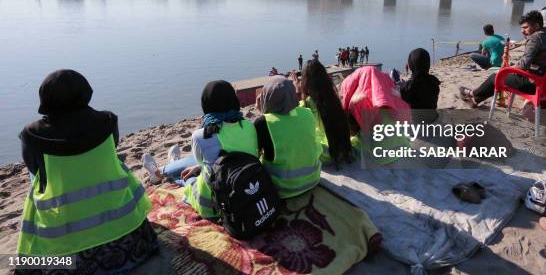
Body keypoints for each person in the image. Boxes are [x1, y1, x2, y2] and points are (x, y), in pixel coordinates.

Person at [17, 70, 158, 269]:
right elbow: (113, 146)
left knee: (39, 175)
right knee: (112, 162)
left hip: (65, 244)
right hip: (124, 228)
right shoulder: (108, 121)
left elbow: (32, 166)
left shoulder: (32, 135)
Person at [143, 81, 259, 219]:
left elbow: (204, 166)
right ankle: (167, 167)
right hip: (245, 190)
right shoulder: (249, 126)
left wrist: (198, 167)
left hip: (213, 205)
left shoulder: (201, 135)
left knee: (190, 176)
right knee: (201, 161)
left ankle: (161, 172)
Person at [460, 11, 546, 106]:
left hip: (533, 84)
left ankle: (473, 94)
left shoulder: (535, 38)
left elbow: (523, 65)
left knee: (496, 76)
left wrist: (509, 69)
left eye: (525, 28)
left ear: (536, 26)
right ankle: (475, 98)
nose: (523, 31)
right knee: (502, 74)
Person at [254, 76, 322, 199]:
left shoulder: (263, 122)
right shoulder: (307, 113)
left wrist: (261, 113)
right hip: (313, 179)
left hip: (282, 188)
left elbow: (255, 153)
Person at [291, 60, 352, 167]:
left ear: (306, 81)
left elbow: (292, 119)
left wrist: (297, 91)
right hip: (341, 151)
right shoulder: (333, 98)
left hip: (324, 155)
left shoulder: (308, 103)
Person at [400, 48, 441, 122]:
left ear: (410, 65)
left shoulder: (408, 87)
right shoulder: (434, 82)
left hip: (416, 125)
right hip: (433, 120)